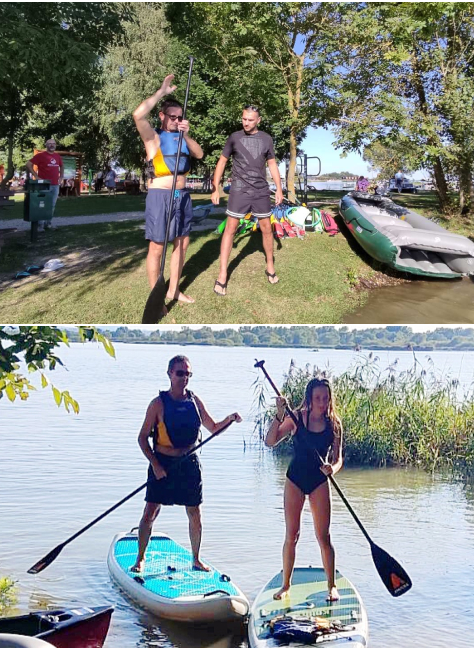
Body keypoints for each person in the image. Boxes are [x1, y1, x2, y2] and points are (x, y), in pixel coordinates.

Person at [131, 356, 241, 573]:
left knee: (195, 513)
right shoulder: (157, 404)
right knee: (150, 512)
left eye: (187, 374)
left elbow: (213, 427)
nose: (184, 378)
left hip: (189, 463)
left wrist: (229, 419)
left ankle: (196, 559)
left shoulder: (195, 401)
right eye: (179, 373)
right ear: (170, 374)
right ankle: (140, 559)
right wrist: (155, 465)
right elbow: (142, 438)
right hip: (163, 463)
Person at [265, 377, 345, 601]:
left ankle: (331, 586)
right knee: (292, 535)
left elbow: (338, 458)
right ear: (309, 399)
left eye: (325, 398)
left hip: (319, 480)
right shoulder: (297, 418)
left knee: (324, 536)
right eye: (317, 398)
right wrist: (279, 414)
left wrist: (333, 468)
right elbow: (270, 441)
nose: (322, 402)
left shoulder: (334, 423)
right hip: (296, 479)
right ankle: (286, 585)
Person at [133, 74, 205, 306]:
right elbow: (138, 115)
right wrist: (161, 92)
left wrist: (187, 133)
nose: (175, 120)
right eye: (171, 117)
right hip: (160, 195)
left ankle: (173, 290)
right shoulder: (153, 137)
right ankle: (156, 296)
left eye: (179, 117)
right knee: (157, 246)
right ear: (162, 116)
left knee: (182, 243)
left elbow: (199, 154)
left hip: (181, 195)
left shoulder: (183, 137)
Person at [210, 105, 284, 296]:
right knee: (230, 230)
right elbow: (222, 161)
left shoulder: (267, 139)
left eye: (250, 119)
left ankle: (269, 265)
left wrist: (279, 188)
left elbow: (272, 164)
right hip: (239, 191)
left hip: (260, 191)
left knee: (267, 229)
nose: (246, 122)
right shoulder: (234, 137)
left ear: (258, 120)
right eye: (244, 118)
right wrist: (215, 187)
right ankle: (222, 274)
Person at [28, 138, 64, 208]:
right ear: (46, 145)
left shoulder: (57, 156)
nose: (52, 145)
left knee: (52, 205)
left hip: (55, 185)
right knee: (42, 205)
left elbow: (62, 166)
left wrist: (61, 177)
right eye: (50, 144)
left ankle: (48, 219)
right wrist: (36, 176)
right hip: (44, 185)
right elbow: (28, 164)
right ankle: (40, 219)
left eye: (53, 144)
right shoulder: (40, 155)